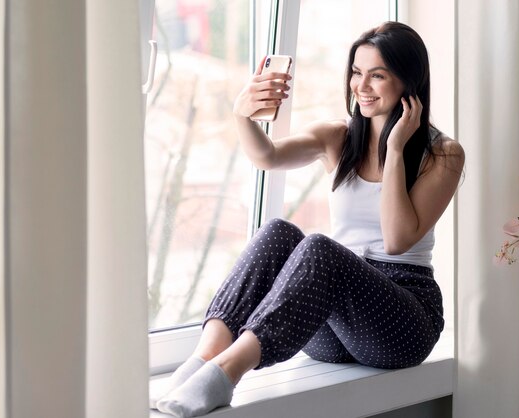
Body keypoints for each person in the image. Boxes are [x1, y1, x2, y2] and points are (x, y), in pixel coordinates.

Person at [155, 21, 465, 417]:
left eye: (377, 76)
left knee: (320, 247)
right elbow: (267, 157)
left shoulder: (443, 155)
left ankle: (225, 375)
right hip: (332, 324)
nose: (362, 86)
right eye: (356, 72)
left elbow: (397, 239)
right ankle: (200, 363)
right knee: (278, 232)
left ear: (408, 81)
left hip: (402, 323)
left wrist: (396, 147)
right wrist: (242, 115)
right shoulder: (337, 137)